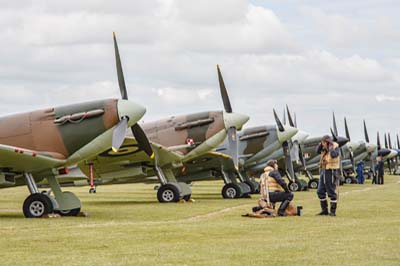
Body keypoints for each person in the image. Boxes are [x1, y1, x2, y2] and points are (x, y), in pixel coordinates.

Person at [316, 135, 340, 216]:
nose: (322, 144)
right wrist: (321, 145)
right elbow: (317, 151)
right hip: (324, 169)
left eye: (323, 142)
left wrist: (331, 147)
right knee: (320, 191)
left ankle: (332, 212)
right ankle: (324, 210)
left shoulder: (335, 146)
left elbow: (334, 155)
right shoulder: (323, 147)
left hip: (331, 171)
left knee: (331, 191)